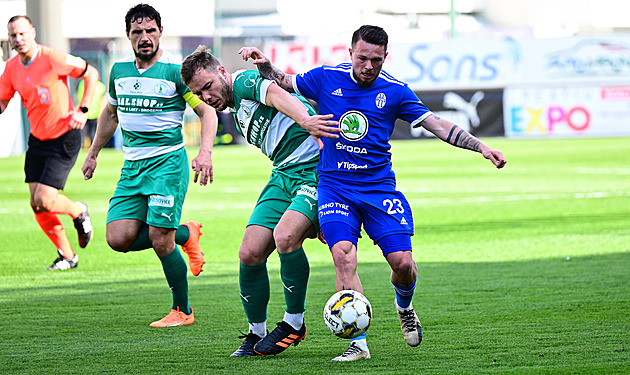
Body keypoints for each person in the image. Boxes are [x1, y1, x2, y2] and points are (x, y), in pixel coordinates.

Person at [240, 25, 507, 361]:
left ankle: (404, 305)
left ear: (385, 57)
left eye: (376, 60)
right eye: (362, 58)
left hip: (379, 188)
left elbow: (436, 123)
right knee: (343, 256)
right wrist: (264, 65)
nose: (368, 65)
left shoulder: (395, 90)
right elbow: (285, 81)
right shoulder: (325, 77)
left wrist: (480, 147)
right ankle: (358, 344)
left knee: (402, 263)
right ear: (351, 53)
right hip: (335, 187)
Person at [180, 45, 339, 356]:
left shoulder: (242, 83)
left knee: (285, 237)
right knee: (249, 252)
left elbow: (279, 95)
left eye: (209, 86)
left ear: (222, 73)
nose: (207, 96)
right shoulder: (233, 109)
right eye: (200, 94)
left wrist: (306, 120)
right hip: (282, 176)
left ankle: (294, 323)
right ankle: (256, 333)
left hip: (315, 172)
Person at [81, 4, 217, 327]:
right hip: (132, 167)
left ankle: (182, 311)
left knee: (159, 238)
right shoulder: (119, 70)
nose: (144, 37)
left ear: (160, 32)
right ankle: (186, 233)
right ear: (128, 35)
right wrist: (94, 152)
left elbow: (207, 112)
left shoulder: (176, 70)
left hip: (168, 164)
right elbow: (111, 114)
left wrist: (206, 152)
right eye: (137, 32)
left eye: (150, 31)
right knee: (117, 237)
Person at [0, 15, 98, 270]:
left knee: (44, 198)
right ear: (9, 39)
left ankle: (78, 211)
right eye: (13, 35)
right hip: (38, 139)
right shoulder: (11, 68)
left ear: (32, 32)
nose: (18, 39)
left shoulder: (53, 58)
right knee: (36, 203)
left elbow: (91, 73)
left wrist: (83, 109)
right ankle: (67, 256)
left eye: (22, 33)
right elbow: (2, 101)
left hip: (64, 137)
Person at [76, 74, 107, 147]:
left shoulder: (83, 84)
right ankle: (88, 147)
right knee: (89, 133)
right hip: (87, 113)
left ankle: (85, 146)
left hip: (88, 113)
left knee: (87, 133)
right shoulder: (101, 86)